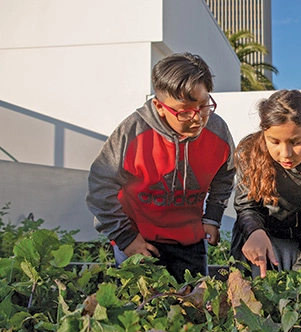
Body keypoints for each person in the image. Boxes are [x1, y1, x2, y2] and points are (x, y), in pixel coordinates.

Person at [86, 53, 236, 282]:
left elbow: (224, 176)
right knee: (139, 309)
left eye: (204, 105)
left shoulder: (218, 131)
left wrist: (212, 217)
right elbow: (100, 186)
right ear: (159, 106)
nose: (197, 119)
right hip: (139, 238)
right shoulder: (132, 132)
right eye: (184, 111)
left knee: (192, 305)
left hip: (190, 240)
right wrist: (125, 237)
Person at [231, 89, 301, 278]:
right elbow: (246, 205)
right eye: (274, 142)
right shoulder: (247, 151)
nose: (285, 153)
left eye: (296, 142)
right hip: (258, 238)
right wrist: (255, 231)